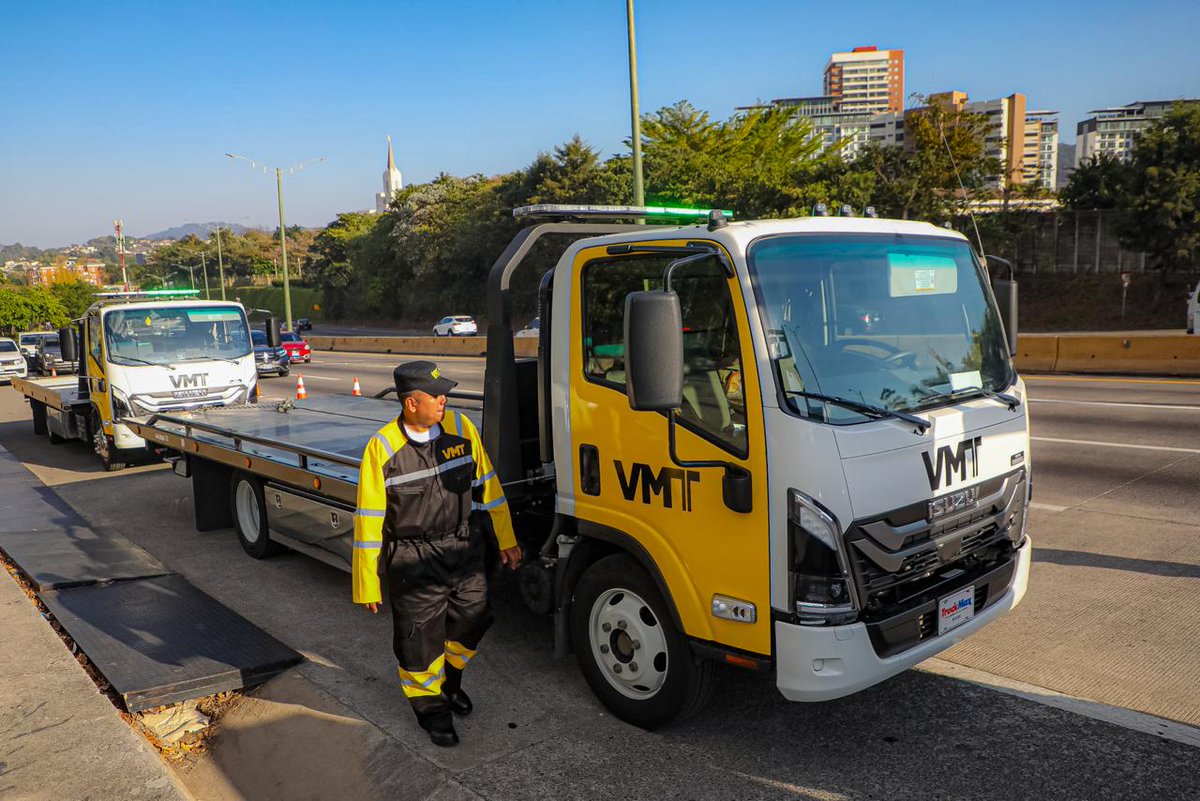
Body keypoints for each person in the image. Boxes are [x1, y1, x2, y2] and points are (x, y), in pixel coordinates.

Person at [352, 360, 521, 747]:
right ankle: (433, 712)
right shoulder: (383, 448)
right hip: (413, 560)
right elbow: (369, 522)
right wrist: (366, 582)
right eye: (436, 395)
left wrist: (508, 540)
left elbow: (490, 488)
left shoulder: (462, 430)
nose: (445, 400)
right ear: (412, 403)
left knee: (475, 620)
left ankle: (449, 681)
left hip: (463, 547)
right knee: (419, 643)